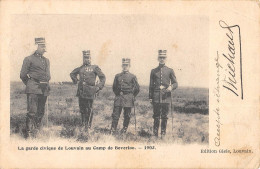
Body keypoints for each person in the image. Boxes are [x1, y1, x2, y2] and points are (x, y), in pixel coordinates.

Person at [20, 37, 51, 138]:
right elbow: (23, 75)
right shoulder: (29, 59)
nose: (44, 48)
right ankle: (29, 134)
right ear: (36, 46)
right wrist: (30, 84)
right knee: (32, 111)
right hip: (33, 88)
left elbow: (48, 75)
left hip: (44, 89)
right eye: (42, 46)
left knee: (40, 112)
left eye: (44, 46)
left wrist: (46, 83)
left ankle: (36, 131)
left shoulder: (46, 61)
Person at [70, 50, 106, 134]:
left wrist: (98, 87)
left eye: (88, 57)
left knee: (89, 109)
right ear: (83, 58)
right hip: (81, 91)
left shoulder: (95, 67)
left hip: (90, 91)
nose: (86, 59)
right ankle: (83, 124)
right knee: (82, 109)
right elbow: (72, 74)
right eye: (85, 57)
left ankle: (88, 126)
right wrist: (76, 80)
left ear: (90, 58)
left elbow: (103, 77)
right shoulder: (80, 68)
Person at [149, 50, 178, 138]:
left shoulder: (170, 70)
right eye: (160, 57)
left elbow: (175, 83)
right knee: (156, 116)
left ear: (166, 58)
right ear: (158, 58)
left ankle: (163, 134)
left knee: (164, 116)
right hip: (156, 96)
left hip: (166, 96)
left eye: (163, 57)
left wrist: (170, 87)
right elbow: (151, 85)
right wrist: (150, 97)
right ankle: (155, 134)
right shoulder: (153, 71)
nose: (162, 59)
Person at [110, 58, 140, 135]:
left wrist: (132, 96)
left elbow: (137, 88)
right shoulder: (117, 76)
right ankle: (113, 129)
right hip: (119, 97)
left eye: (126, 65)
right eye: (123, 65)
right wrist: (118, 93)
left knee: (127, 115)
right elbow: (114, 87)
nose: (125, 67)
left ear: (129, 66)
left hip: (128, 98)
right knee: (115, 114)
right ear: (122, 66)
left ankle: (124, 129)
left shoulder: (132, 76)